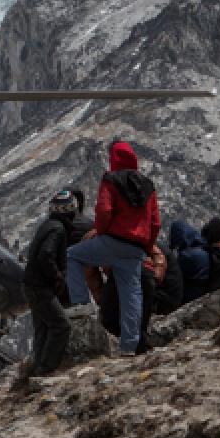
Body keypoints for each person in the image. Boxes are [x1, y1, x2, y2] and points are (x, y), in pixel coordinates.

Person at [68, 141, 158, 354]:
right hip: (136, 248)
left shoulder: (110, 180)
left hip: (113, 240)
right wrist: (147, 244)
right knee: (131, 296)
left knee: (73, 256)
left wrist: (102, 232)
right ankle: (129, 346)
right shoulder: (148, 185)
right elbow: (155, 222)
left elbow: (104, 210)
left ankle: (81, 303)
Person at [22, 189, 87, 375]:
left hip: (31, 284)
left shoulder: (48, 225)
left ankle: (36, 368)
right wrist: (57, 277)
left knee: (42, 328)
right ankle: (47, 368)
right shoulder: (58, 230)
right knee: (61, 325)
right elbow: (46, 255)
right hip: (41, 287)